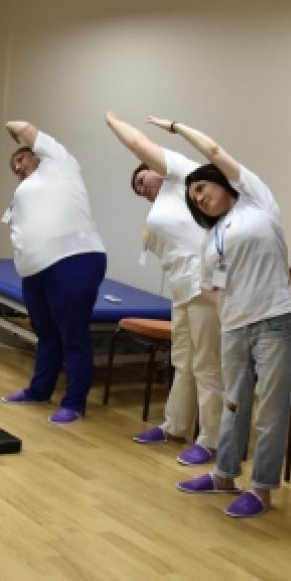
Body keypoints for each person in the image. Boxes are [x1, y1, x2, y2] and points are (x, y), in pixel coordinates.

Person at [153, 117, 291, 519]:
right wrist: (231, 310)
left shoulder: (257, 202)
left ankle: (262, 489)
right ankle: (223, 475)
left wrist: (177, 128)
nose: (199, 198)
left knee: (269, 412)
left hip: (275, 322)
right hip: (236, 326)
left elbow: (214, 151)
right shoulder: (214, 237)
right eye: (193, 196)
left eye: (202, 187)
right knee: (233, 405)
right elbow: (210, 287)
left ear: (224, 183)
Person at [104, 112, 222, 465]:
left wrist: (113, 121)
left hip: (206, 287)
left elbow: (139, 143)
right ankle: (175, 427)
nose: (142, 189)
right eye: (138, 189)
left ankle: (212, 441)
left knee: (206, 364)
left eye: (143, 179)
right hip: (183, 289)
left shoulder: (183, 177)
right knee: (182, 360)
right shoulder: (166, 204)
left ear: (157, 169)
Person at [0, 121, 107, 424]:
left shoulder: (60, 165)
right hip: (36, 270)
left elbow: (22, 126)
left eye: (21, 159)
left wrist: (15, 131)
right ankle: (39, 390)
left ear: (38, 154)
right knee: (47, 334)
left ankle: (74, 403)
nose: (17, 167)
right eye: (14, 166)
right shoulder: (26, 190)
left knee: (72, 334)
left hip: (73, 260)